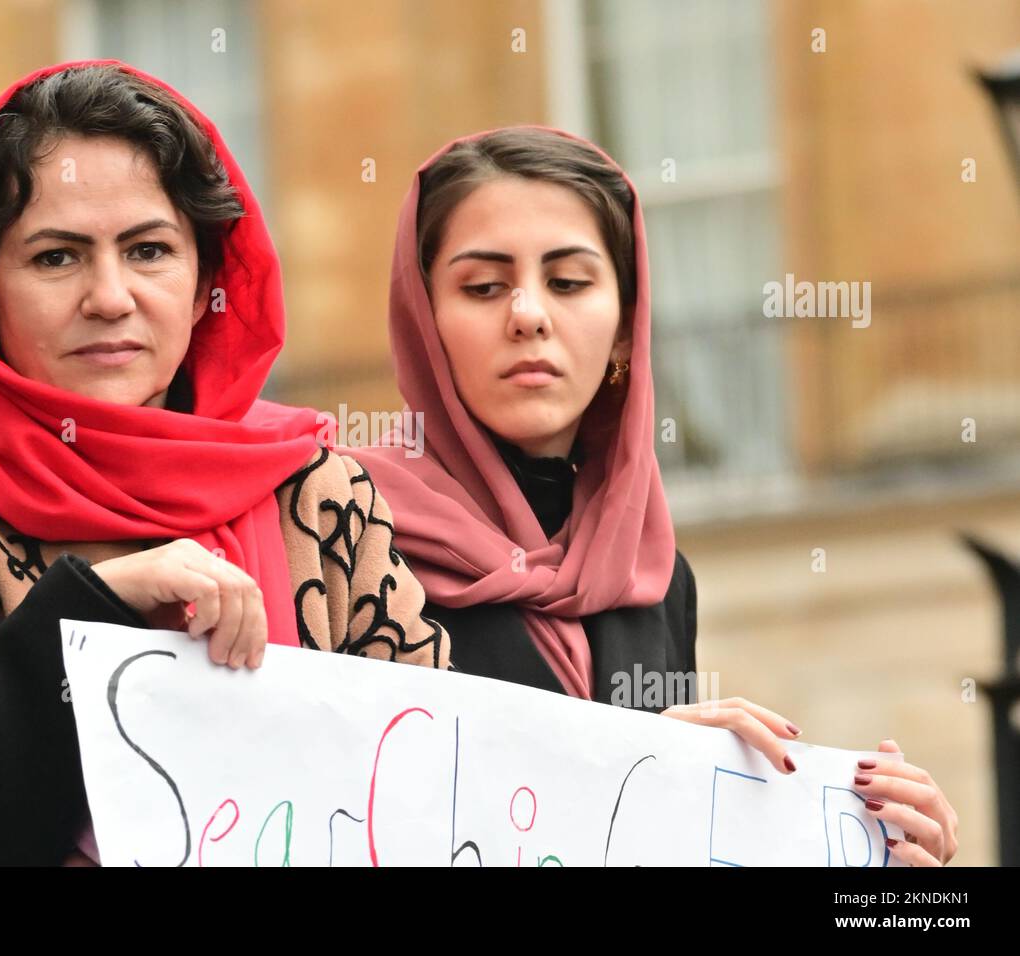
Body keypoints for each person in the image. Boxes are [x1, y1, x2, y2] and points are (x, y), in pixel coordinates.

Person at [0, 60, 449, 866]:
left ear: (205, 281)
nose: (110, 297)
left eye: (148, 251)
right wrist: (95, 606)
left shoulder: (317, 490)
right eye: (56, 258)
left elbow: (437, 785)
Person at [348, 127, 959, 866]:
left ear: (624, 333)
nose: (528, 314)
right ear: (423, 321)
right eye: (482, 286)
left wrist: (876, 871)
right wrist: (641, 774)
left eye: (569, 282)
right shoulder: (346, 529)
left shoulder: (654, 577)